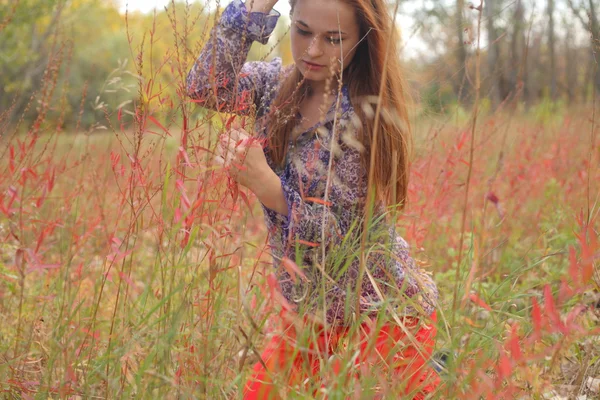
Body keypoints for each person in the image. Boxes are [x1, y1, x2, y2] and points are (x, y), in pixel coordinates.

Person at [186, 0, 440, 398]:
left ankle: (435, 365)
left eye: (334, 39)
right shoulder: (273, 87)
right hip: (309, 314)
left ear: (362, 41)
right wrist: (251, 10)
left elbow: (337, 239)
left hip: (380, 315)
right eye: (302, 31)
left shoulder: (365, 118)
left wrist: (268, 186)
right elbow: (205, 87)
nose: (313, 50)